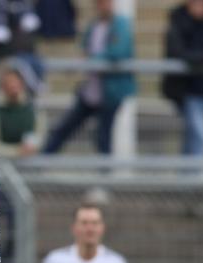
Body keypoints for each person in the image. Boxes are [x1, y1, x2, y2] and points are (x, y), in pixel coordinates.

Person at [43, 0, 136, 155]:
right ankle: (42, 159)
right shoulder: (94, 25)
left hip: (111, 92)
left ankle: (104, 170)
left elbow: (117, 53)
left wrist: (91, 60)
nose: (103, 5)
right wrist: (80, 63)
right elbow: (84, 49)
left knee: (103, 137)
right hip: (91, 90)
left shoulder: (120, 25)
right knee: (65, 128)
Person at [162, 0, 203, 158]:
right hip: (185, 90)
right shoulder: (178, 23)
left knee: (192, 137)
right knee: (201, 136)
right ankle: (196, 173)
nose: (201, 7)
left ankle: (188, 173)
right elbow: (178, 52)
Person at [0, 64, 46, 158]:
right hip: (1, 162)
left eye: (16, 81)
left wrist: (32, 148)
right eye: (9, 82)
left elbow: (39, 137)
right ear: (2, 85)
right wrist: (17, 151)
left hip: (30, 160)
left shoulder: (35, 111)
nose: (13, 85)